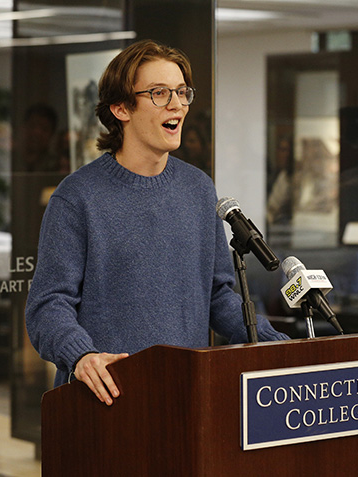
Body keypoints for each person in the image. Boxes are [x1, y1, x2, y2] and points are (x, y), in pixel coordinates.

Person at [25, 39, 288, 406]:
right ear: (120, 108)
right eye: (160, 93)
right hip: (105, 402)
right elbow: (47, 306)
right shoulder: (77, 197)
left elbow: (217, 296)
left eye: (181, 92)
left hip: (186, 397)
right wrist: (81, 355)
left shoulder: (199, 189)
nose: (177, 104)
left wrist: (272, 343)